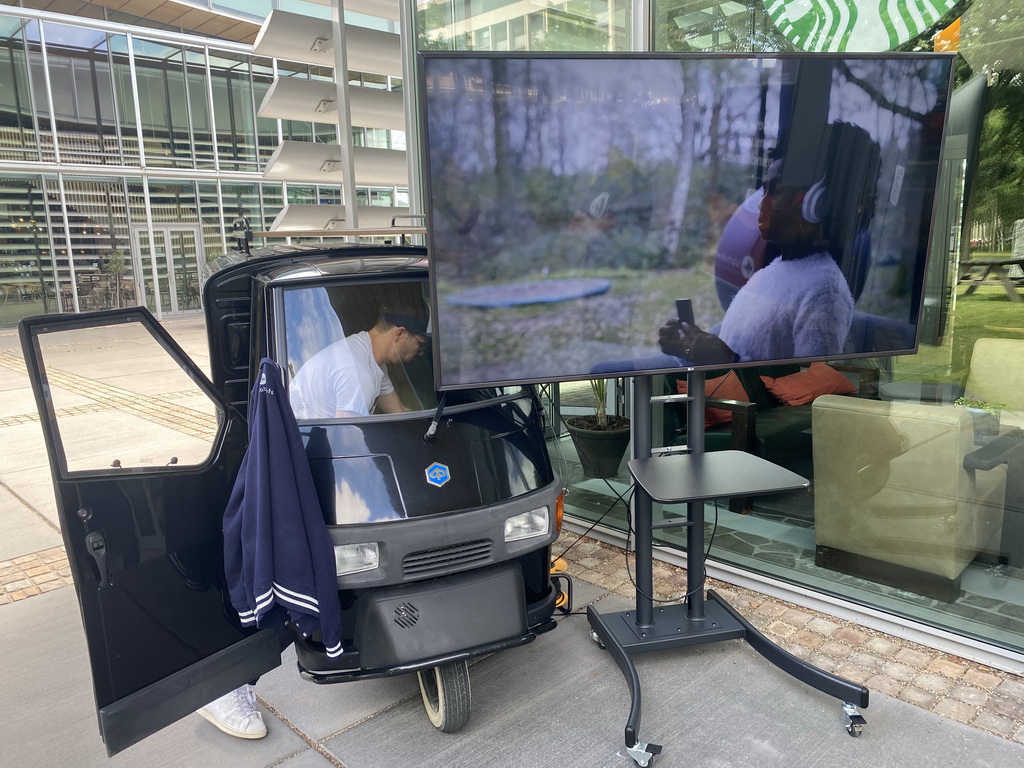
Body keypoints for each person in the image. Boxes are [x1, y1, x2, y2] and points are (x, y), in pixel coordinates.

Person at [658, 122, 878, 366]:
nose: (762, 203)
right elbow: (739, 355)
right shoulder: (774, 271)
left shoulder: (824, 292)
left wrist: (724, 357)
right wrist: (690, 346)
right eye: (763, 190)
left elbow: (811, 388)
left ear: (816, 204)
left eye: (774, 191)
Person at [289, 310, 430, 419]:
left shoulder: (371, 359)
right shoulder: (357, 370)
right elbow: (348, 438)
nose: (421, 353)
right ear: (400, 334)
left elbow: (399, 411)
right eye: (421, 345)